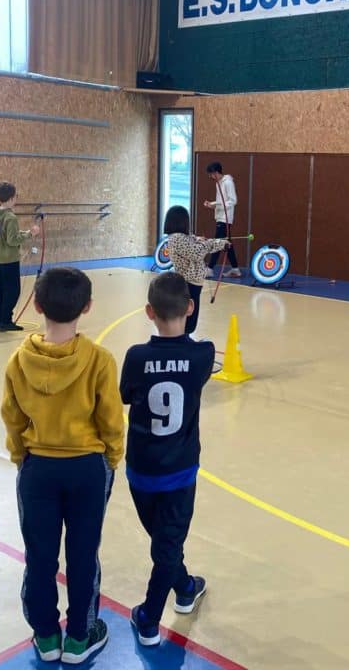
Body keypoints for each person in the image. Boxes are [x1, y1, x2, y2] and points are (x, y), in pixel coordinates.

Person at [1, 267, 124, 664]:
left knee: (39, 554)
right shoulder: (100, 360)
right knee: (84, 554)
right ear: (87, 307)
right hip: (87, 469)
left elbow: (12, 417)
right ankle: (79, 637)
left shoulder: (18, 361)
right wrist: (112, 457)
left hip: (37, 469)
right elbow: (111, 420)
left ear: (37, 305)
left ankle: (46, 633)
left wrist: (20, 455)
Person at [120, 272, 214, 646]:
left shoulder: (136, 356)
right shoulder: (203, 354)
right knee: (167, 545)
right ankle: (149, 619)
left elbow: (125, 395)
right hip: (179, 471)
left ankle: (186, 587)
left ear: (149, 312)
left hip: (141, 470)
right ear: (190, 308)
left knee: (164, 540)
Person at [162, 205, 229, 336]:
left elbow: (204, 245)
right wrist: (206, 243)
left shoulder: (185, 238)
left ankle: (184, 341)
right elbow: (197, 252)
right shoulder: (177, 238)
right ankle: (183, 343)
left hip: (193, 284)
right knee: (187, 322)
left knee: (190, 321)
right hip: (188, 284)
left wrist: (222, 244)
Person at [0, 181, 40, 332]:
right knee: (12, 290)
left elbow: (6, 235)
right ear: (12, 198)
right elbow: (12, 240)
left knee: (0, 288)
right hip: (9, 259)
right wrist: (30, 234)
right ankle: (5, 320)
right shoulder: (10, 217)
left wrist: (26, 233)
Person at [203, 161, 241, 278]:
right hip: (220, 216)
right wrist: (213, 204)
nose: (210, 177)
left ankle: (210, 269)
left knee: (217, 243)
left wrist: (218, 205)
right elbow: (221, 201)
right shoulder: (218, 183)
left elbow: (233, 200)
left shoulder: (228, 182)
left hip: (225, 218)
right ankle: (235, 269)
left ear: (216, 172)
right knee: (226, 244)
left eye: (211, 174)